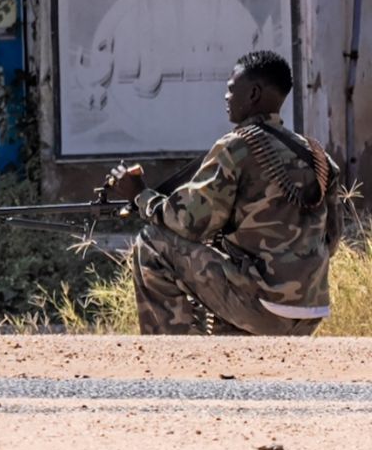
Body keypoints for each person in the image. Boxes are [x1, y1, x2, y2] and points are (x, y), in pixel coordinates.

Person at [109, 50, 343, 336]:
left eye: (232, 89)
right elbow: (331, 241)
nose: (226, 97)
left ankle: (172, 360)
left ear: (253, 93)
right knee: (227, 251)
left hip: (261, 306)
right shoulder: (318, 156)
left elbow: (186, 222)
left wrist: (140, 195)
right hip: (310, 310)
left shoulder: (236, 148)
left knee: (152, 243)